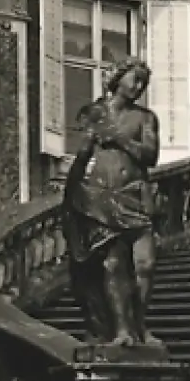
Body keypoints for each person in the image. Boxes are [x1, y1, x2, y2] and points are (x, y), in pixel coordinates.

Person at [62, 57, 163, 348]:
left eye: (144, 82)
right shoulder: (97, 114)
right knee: (113, 264)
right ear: (118, 78)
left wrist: (120, 139)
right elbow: (83, 155)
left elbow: (150, 156)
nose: (139, 86)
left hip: (135, 196)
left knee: (145, 264)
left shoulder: (145, 118)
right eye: (135, 79)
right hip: (102, 199)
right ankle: (122, 330)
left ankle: (140, 325)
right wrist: (71, 193)